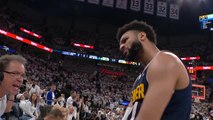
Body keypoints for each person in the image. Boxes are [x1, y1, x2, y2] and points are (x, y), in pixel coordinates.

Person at [117, 20, 191, 120]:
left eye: (125, 40)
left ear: (142, 36)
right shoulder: (139, 78)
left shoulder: (165, 60)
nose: (121, 47)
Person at [0, 54, 27, 119]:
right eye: (14, 73)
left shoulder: (3, 96)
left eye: (22, 75)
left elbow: (5, 111)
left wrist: (12, 93)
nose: (20, 79)